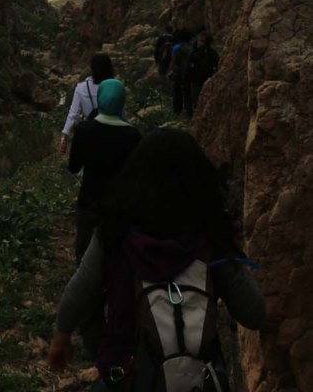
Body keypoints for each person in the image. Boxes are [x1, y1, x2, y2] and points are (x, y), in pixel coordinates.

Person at [48, 130, 265, 391]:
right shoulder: (209, 238)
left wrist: (60, 338)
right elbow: (254, 313)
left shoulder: (115, 231)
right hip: (197, 380)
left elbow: (80, 289)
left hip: (127, 376)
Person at [68, 78, 141, 264]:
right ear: (122, 101)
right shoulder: (133, 136)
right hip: (118, 207)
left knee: (84, 256)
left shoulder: (84, 130)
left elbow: (73, 167)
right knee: (115, 258)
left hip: (89, 201)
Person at [59, 52, 114, 155]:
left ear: (92, 69)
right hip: (111, 133)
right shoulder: (115, 87)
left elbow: (73, 114)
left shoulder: (81, 87)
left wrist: (64, 136)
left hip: (90, 132)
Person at [186, 32, 219, 116]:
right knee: (206, 100)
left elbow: (188, 66)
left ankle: (195, 116)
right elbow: (218, 67)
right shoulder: (213, 53)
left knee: (196, 100)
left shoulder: (195, 52)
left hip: (196, 80)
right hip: (208, 79)